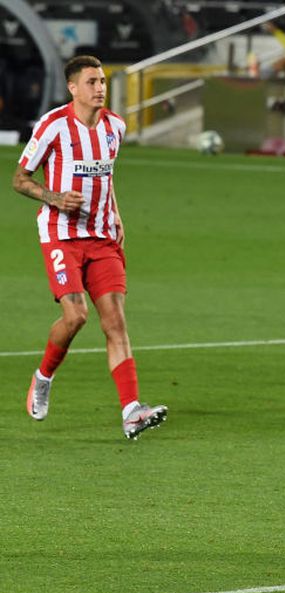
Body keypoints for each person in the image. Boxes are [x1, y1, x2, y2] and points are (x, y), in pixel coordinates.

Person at [12, 55, 168, 439]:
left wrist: (117, 216)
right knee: (76, 317)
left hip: (102, 237)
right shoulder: (52, 126)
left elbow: (107, 177)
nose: (100, 88)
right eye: (92, 82)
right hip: (61, 235)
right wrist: (53, 196)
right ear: (73, 88)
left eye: (102, 81)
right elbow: (20, 179)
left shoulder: (116, 126)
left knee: (115, 322)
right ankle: (43, 375)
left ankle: (131, 411)